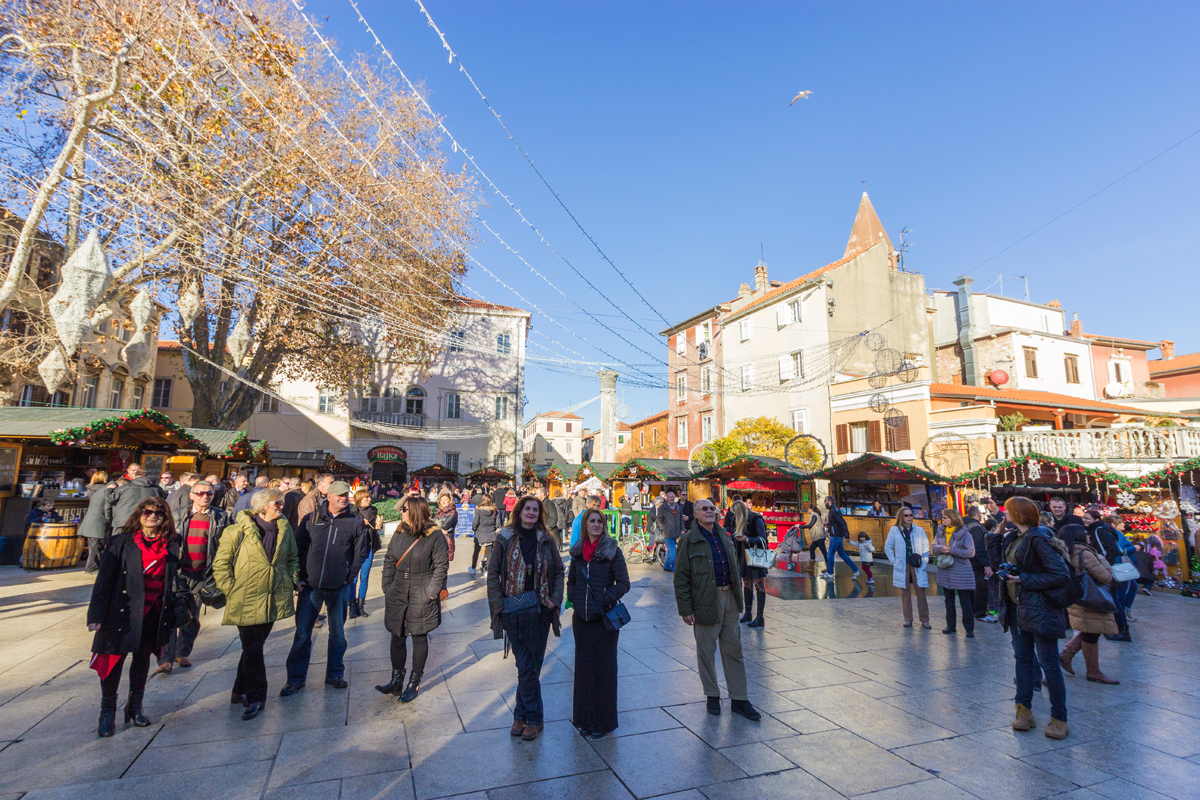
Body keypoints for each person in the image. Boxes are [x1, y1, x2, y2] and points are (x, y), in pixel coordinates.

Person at [87, 496, 179, 737]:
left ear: (165, 518)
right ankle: (107, 713)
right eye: (147, 512)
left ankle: (134, 707)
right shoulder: (120, 542)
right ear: (138, 515)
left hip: (153, 612)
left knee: (141, 659)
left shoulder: (171, 543)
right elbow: (103, 580)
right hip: (122, 611)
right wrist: (95, 615)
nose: (152, 517)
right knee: (113, 661)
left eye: (158, 514)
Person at [988, 496, 1072, 740]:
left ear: (1019, 512)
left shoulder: (1038, 538)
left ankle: (1059, 718)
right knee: (1022, 660)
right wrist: (996, 534)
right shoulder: (1013, 537)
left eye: (1008, 510)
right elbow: (997, 566)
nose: (1005, 513)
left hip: (1040, 610)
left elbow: (1060, 575)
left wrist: (1023, 579)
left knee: (1049, 664)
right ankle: (1024, 712)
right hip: (1017, 609)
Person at [212, 488, 298, 720]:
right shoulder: (236, 530)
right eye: (276, 503)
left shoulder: (284, 528)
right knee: (253, 648)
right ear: (261, 507)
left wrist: (292, 580)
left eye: (281, 503)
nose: (281, 506)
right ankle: (257, 695)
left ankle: (238, 690)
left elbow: (292, 558)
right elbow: (221, 565)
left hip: (273, 596)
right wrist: (232, 590)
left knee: (254, 646)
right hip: (246, 597)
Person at [674, 498, 762, 721]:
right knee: (706, 652)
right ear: (695, 514)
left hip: (729, 598)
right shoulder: (688, 541)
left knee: (734, 650)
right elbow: (681, 578)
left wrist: (739, 599)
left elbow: (734, 567)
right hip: (705, 601)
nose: (710, 511)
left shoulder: (724, 536)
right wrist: (686, 609)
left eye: (712, 508)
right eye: (704, 509)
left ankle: (739, 699)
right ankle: (712, 695)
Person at [486, 495, 565, 742]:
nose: (531, 513)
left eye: (535, 509)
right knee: (525, 665)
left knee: (532, 666)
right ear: (519, 512)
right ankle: (534, 718)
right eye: (527, 509)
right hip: (514, 610)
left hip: (541, 610)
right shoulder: (505, 538)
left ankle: (520, 715)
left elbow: (559, 571)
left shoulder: (546, 538)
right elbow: (493, 574)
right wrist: (499, 606)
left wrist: (555, 599)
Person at [281, 481, 371, 696]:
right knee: (303, 633)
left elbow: (360, 553)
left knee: (337, 633)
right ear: (328, 496)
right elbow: (297, 548)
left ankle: (335, 673)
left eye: (345, 495)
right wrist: (298, 577)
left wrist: (349, 577)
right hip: (311, 586)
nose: (343, 498)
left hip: (338, 586)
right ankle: (295, 678)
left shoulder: (355, 522)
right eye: (338, 495)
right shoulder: (311, 519)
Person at [374, 497, 449, 703]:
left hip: (421, 590)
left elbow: (441, 567)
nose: (400, 512)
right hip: (397, 590)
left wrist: (431, 593)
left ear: (415, 512)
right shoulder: (400, 532)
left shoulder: (434, 536)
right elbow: (389, 559)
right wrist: (387, 586)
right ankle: (396, 680)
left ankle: (413, 683)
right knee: (397, 635)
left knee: (418, 635)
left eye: (405, 509)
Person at [567, 508, 630, 738]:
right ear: (585, 525)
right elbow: (572, 581)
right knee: (583, 672)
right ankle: (584, 720)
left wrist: (603, 598)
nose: (596, 525)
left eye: (599, 521)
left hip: (603, 621)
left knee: (603, 671)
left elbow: (623, 583)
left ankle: (602, 723)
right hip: (581, 621)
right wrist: (574, 597)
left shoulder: (612, 551)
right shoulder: (577, 552)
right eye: (592, 521)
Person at [159, 481, 228, 674]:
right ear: (191, 495)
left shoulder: (220, 516)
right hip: (178, 572)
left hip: (202, 573)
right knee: (172, 614)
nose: (204, 497)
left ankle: (183, 653)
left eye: (209, 494)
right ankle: (166, 658)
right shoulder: (178, 513)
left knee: (192, 616)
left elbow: (224, 544)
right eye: (200, 493)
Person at [1055, 525, 1119, 685]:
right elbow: (1106, 577)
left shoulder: (1062, 552)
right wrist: (1102, 559)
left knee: (1089, 629)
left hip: (1076, 598)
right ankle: (1093, 671)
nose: (1088, 536)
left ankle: (1065, 656)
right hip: (1092, 599)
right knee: (1093, 632)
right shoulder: (1086, 554)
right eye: (1085, 534)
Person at [884, 507, 931, 628]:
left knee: (920, 592)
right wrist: (894, 561)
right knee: (905, 592)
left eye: (911, 515)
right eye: (906, 515)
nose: (909, 517)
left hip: (917, 565)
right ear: (901, 517)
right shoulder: (894, 530)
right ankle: (908, 619)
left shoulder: (919, 530)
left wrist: (925, 561)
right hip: (903, 565)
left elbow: (926, 547)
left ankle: (924, 619)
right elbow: (888, 547)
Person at [933, 509, 977, 637]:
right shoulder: (940, 531)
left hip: (961, 571)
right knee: (948, 600)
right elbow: (934, 546)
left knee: (965, 601)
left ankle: (969, 628)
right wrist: (941, 548)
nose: (943, 520)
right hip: (945, 569)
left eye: (946, 517)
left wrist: (952, 550)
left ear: (953, 518)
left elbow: (970, 552)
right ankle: (951, 626)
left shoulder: (965, 534)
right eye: (943, 517)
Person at [730, 500, 769, 628]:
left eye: (736, 513)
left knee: (758, 584)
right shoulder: (736, 519)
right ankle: (748, 613)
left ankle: (760, 616)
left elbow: (763, 538)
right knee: (746, 583)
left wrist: (747, 539)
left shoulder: (755, 519)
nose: (734, 515)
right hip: (743, 556)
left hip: (755, 556)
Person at [103, 464, 167, 539]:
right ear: (146, 477)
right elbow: (163, 502)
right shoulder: (156, 489)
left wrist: (108, 490)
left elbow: (110, 500)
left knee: (118, 545)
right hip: (144, 522)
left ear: (135, 477)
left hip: (123, 521)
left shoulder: (124, 487)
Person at [348, 490, 383, 618]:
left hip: (369, 546)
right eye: (366, 498)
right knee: (353, 577)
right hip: (355, 548)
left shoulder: (373, 510)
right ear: (359, 500)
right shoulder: (352, 512)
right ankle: (351, 606)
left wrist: (379, 525)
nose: (369, 499)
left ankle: (361, 605)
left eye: (369, 497)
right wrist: (359, 522)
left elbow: (377, 527)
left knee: (364, 576)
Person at [963, 506, 994, 624]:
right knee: (980, 587)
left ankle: (972, 610)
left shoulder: (963, 525)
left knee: (970, 588)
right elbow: (979, 547)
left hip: (966, 561)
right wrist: (986, 564)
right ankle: (980, 613)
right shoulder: (975, 527)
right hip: (976, 563)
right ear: (977, 514)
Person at [80, 471, 114, 573]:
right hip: (99, 520)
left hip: (91, 519)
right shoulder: (106, 490)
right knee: (97, 546)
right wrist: (109, 520)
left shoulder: (90, 488)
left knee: (94, 546)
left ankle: (95, 566)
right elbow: (107, 506)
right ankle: (92, 567)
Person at [820, 496, 860, 580]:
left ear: (830, 501)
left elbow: (843, 522)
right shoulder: (833, 509)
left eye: (825, 501)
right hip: (837, 535)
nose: (824, 502)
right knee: (841, 553)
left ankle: (830, 573)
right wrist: (828, 524)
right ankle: (856, 570)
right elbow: (836, 521)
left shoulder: (834, 510)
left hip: (836, 536)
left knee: (830, 553)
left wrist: (847, 534)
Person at [655, 490, 685, 571]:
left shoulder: (678, 507)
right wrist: (665, 528)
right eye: (670, 497)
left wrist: (682, 529)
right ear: (667, 498)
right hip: (667, 533)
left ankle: (667, 567)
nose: (672, 498)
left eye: (673, 497)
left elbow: (681, 519)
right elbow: (659, 519)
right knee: (673, 552)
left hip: (676, 532)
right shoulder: (663, 507)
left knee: (670, 552)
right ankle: (674, 569)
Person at [471, 494, 499, 577]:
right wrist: (493, 528)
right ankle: (488, 570)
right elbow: (498, 523)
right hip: (490, 533)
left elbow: (475, 522)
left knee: (476, 551)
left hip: (480, 533)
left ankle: (473, 567)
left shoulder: (478, 510)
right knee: (489, 553)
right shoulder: (494, 510)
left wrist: (474, 529)